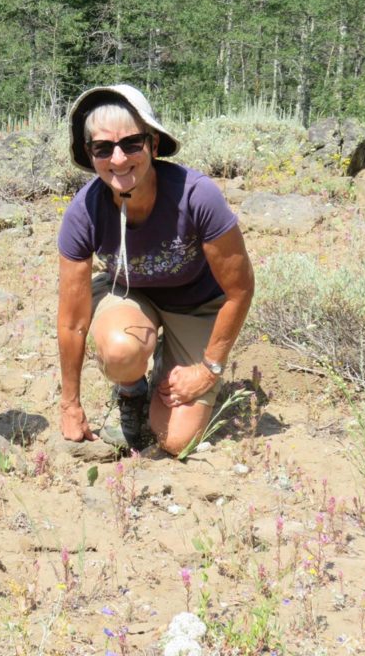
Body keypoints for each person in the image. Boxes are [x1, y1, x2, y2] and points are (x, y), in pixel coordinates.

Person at [57, 84, 254, 455]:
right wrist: (70, 405)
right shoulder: (84, 211)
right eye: (103, 148)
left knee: (175, 442)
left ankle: (170, 358)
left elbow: (240, 289)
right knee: (120, 350)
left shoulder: (196, 195)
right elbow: (72, 320)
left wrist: (208, 368)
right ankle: (132, 391)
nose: (118, 159)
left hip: (196, 304)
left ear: (154, 145)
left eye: (132, 144)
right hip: (128, 294)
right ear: (90, 154)